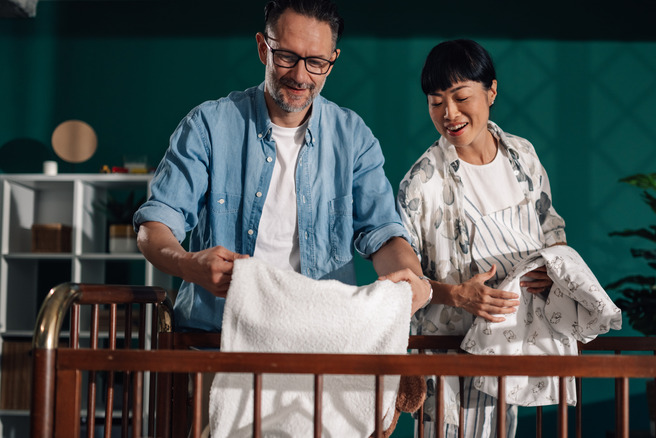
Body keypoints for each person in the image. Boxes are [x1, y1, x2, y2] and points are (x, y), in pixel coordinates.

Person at [134, 0, 431, 333]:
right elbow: (154, 226)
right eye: (287, 56)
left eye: (316, 62)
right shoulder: (208, 126)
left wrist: (413, 280)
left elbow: (383, 235)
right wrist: (189, 265)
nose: (300, 75)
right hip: (218, 338)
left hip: (320, 337)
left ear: (331, 63)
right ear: (263, 48)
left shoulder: (353, 137)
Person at [396, 39, 569, 437]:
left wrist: (554, 269)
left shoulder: (522, 156)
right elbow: (402, 282)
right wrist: (456, 295)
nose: (449, 114)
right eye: (436, 102)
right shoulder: (420, 183)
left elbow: (551, 227)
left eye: (460, 97)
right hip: (448, 352)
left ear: (491, 91)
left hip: (516, 342)